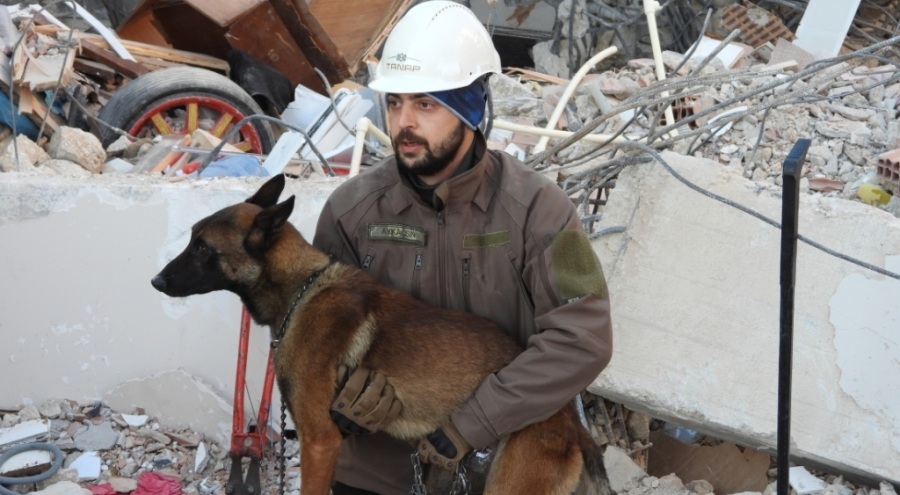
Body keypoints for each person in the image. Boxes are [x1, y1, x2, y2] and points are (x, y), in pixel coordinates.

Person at [312, 1, 613, 493]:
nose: (403, 123)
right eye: (394, 103)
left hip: (505, 458)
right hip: (381, 471)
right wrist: (339, 396)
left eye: (426, 104)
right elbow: (306, 332)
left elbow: (583, 340)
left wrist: (469, 425)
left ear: (469, 109)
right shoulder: (351, 211)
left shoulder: (541, 209)